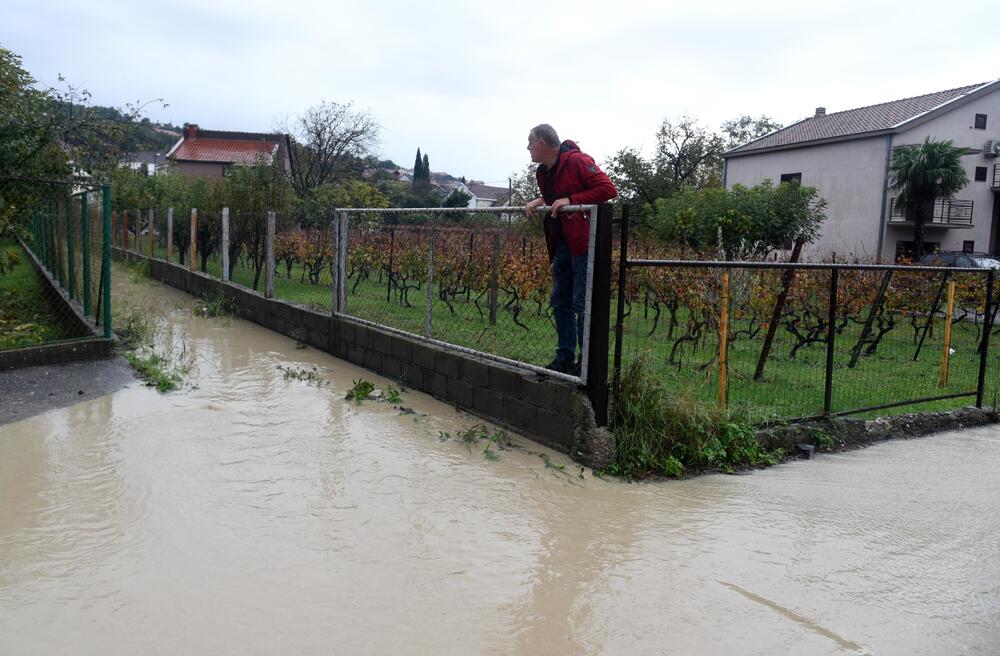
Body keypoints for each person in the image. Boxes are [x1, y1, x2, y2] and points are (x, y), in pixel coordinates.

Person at [525, 124, 617, 375]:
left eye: (530, 143)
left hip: (584, 244)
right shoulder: (543, 172)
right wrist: (543, 200)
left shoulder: (578, 161)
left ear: (542, 144)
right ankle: (564, 358)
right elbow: (558, 197)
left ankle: (585, 365)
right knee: (559, 301)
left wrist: (572, 201)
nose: (528, 148)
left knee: (581, 303)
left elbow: (609, 190)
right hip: (563, 245)